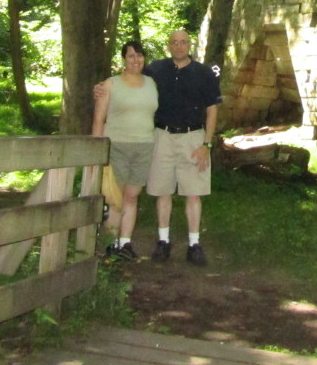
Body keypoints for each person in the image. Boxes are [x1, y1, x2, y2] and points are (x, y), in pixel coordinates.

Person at [144, 30, 222, 266]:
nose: (179, 46)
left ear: (190, 45)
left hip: (193, 138)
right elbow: (131, 82)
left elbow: (212, 110)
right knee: (163, 191)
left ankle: (194, 244)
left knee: (193, 193)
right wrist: (103, 87)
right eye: (174, 42)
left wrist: (206, 145)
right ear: (169, 45)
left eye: (183, 42)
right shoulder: (155, 70)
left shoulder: (204, 73)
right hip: (162, 136)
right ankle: (163, 241)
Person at [92, 40, 157, 261]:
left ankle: (125, 243)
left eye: (139, 55)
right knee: (115, 198)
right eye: (131, 56)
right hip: (117, 145)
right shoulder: (110, 84)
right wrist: (97, 151)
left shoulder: (151, 83)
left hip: (144, 146)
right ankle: (110, 245)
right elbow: (99, 119)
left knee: (132, 196)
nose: (136, 60)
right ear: (124, 59)